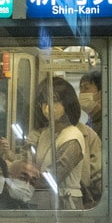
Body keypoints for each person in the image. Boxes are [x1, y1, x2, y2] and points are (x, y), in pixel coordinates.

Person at [30, 76, 87, 210]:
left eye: (54, 101)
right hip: (44, 201)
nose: (47, 108)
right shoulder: (45, 134)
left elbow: (55, 175)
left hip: (65, 203)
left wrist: (28, 180)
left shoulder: (72, 136)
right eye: (43, 102)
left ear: (67, 104)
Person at [78, 70, 104, 134]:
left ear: (100, 93)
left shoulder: (106, 123)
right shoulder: (91, 121)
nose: (82, 92)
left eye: (87, 88)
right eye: (81, 88)